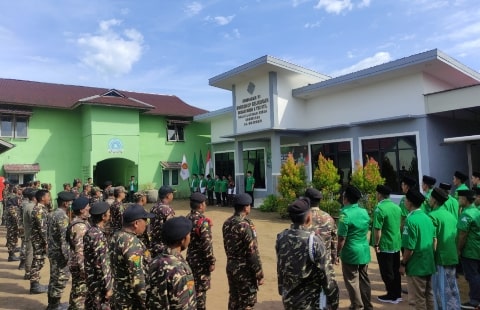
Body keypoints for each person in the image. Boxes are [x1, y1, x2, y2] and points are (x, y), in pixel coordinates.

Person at [276, 198, 339, 309]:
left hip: (289, 300)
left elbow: (281, 266)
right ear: (309, 218)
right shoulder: (313, 241)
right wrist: (333, 301)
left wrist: (281, 288)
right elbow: (327, 275)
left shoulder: (281, 237)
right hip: (310, 302)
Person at [222, 193, 264, 309]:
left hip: (231, 266)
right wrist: (259, 273)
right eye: (249, 205)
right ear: (246, 207)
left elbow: (227, 245)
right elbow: (252, 252)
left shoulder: (227, 222)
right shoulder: (245, 225)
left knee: (234, 300)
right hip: (244, 270)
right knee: (247, 302)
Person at [110, 204, 154, 309]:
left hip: (119, 294)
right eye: (145, 221)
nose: (146, 224)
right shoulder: (132, 243)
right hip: (131, 300)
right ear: (136, 223)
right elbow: (137, 277)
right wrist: (145, 301)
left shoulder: (116, 236)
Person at [147, 216, 196, 309]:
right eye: (189, 234)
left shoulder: (154, 262)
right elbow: (185, 305)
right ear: (183, 240)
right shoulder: (181, 270)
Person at [337, 185, 373, 310]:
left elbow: (342, 238)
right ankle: (367, 305)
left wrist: (337, 253)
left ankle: (357, 306)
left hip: (350, 252)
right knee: (364, 279)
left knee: (352, 280)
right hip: (363, 250)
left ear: (346, 198)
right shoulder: (364, 212)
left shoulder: (345, 214)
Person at [400, 189, 436, 310]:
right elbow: (434, 240)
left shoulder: (410, 221)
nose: (404, 201)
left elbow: (409, 248)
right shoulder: (427, 218)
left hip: (416, 266)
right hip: (428, 263)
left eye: (406, 199)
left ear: (409, 202)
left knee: (417, 299)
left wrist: (403, 263)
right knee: (429, 295)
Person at [428, 187, 461, 309]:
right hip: (451, 255)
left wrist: (431, 258)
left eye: (431, 197)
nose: (429, 200)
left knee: (439, 289)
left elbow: (434, 240)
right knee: (452, 288)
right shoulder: (451, 216)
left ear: (435, 200)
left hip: (439, 257)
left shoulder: (432, 216)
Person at [370, 184, 402, 304]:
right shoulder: (396, 207)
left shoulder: (380, 209)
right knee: (395, 269)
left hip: (385, 244)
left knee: (386, 271)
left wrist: (376, 244)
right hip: (395, 243)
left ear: (379, 194)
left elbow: (378, 229)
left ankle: (391, 295)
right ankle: (397, 294)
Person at [186, 192, 216, 310]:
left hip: (190, 258)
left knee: (190, 288)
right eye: (205, 203)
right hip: (201, 262)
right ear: (201, 205)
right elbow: (206, 244)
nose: (205, 205)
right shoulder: (202, 222)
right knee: (200, 292)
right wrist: (211, 261)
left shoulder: (188, 218)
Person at [47, 191, 76, 309]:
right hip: (59, 254)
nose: (72, 204)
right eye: (70, 202)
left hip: (53, 251)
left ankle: (53, 304)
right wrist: (67, 257)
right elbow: (64, 240)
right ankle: (54, 306)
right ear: (65, 203)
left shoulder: (53, 213)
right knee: (60, 279)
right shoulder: (62, 217)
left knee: (54, 278)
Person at [84, 201, 113, 310]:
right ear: (103, 216)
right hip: (98, 281)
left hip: (91, 278)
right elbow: (102, 263)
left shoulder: (90, 231)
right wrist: (108, 287)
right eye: (108, 213)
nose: (110, 215)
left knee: (91, 304)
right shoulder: (98, 235)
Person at [304, 188, 337, 281]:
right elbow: (334, 240)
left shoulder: (303, 217)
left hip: (306, 262)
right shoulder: (329, 218)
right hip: (325, 261)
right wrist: (334, 257)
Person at [456, 189, 480, 309]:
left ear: (465, 199)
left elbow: (462, 235)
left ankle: (475, 300)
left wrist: (458, 250)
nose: (458, 200)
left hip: (470, 251)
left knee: (472, 276)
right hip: (477, 248)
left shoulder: (466, 214)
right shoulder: (477, 211)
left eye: (460, 198)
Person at [67, 196, 91, 309]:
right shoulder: (80, 227)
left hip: (75, 262)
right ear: (82, 210)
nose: (90, 208)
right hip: (79, 265)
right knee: (81, 295)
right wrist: (84, 270)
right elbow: (80, 250)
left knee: (77, 291)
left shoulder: (80, 222)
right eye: (88, 206)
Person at [30, 189, 51, 294]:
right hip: (39, 241)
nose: (49, 198)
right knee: (37, 261)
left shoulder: (42, 209)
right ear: (42, 198)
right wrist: (47, 242)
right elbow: (43, 229)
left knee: (39, 261)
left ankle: (35, 283)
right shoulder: (39, 210)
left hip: (39, 240)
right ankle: (34, 286)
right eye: (48, 196)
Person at [150, 185, 176, 257]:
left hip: (153, 245)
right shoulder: (167, 210)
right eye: (172, 193)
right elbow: (172, 229)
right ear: (168, 196)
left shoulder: (154, 208)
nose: (173, 196)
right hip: (163, 247)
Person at [22, 188, 37, 280]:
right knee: (30, 253)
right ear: (34, 198)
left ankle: (28, 272)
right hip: (31, 234)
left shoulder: (30, 206)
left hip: (30, 233)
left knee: (30, 252)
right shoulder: (31, 207)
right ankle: (28, 272)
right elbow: (35, 221)